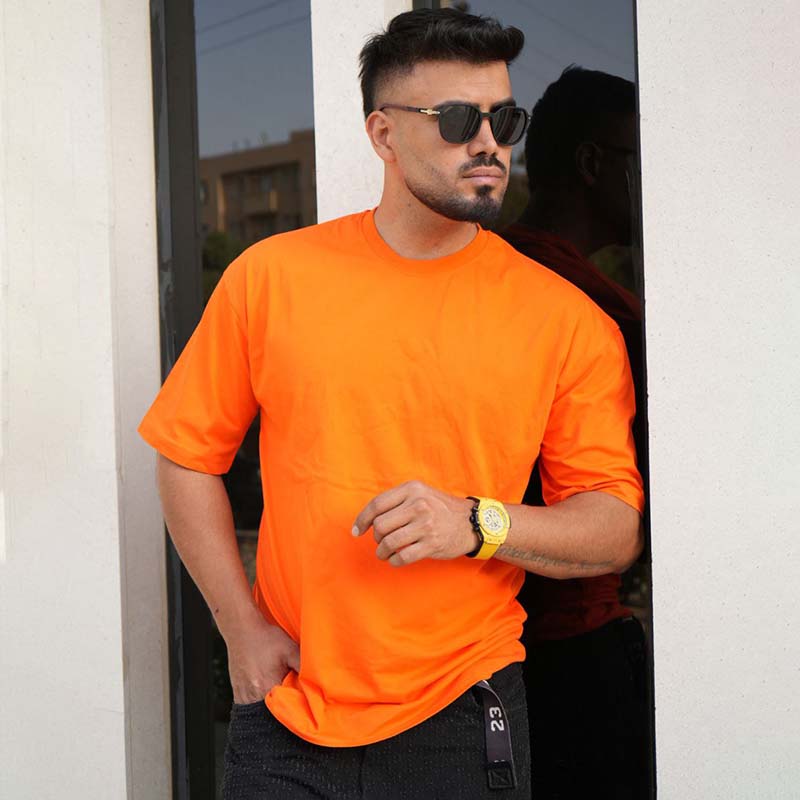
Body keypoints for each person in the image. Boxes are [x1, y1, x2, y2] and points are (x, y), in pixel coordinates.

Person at [139, 12, 643, 800]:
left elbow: (613, 527)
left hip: (461, 710)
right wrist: (241, 630)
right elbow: (184, 457)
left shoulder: (565, 319)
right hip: (288, 707)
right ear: (383, 133)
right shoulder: (271, 279)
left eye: (505, 120)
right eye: (458, 119)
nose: (489, 143)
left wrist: (478, 523)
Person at [502, 66, 652, 799]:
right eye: (640, 159)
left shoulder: (484, 275)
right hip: (575, 635)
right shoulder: (599, 310)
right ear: (594, 163)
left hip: (496, 638)